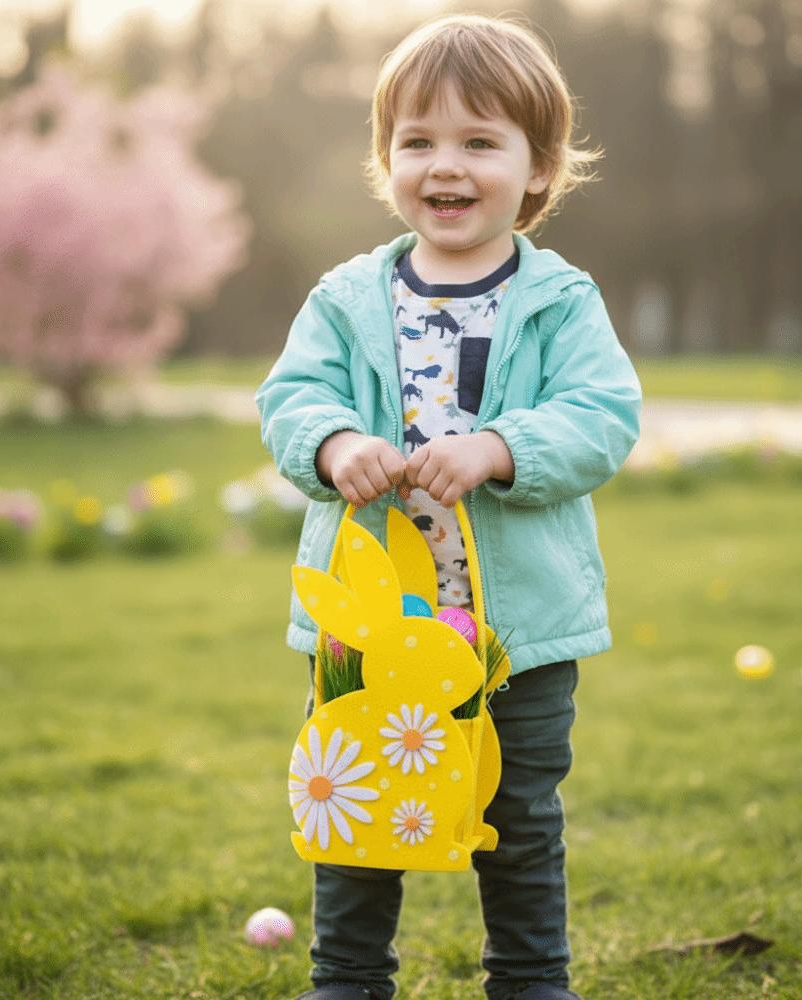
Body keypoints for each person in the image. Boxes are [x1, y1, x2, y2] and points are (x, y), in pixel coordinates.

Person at [254, 13, 642, 1000]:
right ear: (384, 161)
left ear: (541, 166)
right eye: (417, 141)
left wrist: (499, 445)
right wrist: (335, 442)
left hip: (517, 622)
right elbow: (290, 395)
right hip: (371, 614)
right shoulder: (347, 297)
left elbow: (603, 413)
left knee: (515, 811)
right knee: (356, 787)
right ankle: (346, 975)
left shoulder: (559, 301)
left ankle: (527, 976)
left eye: (480, 141)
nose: (445, 166)